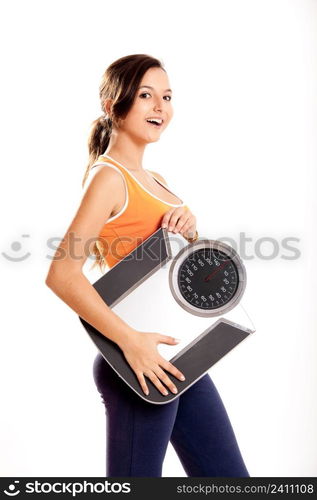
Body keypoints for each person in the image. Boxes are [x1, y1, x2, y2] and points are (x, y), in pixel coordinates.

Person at [45, 53, 250, 477]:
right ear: (112, 105)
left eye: (167, 96)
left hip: (178, 361)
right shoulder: (109, 177)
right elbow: (62, 274)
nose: (160, 107)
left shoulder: (155, 180)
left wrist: (191, 231)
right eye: (146, 95)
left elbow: (171, 269)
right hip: (133, 363)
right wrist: (132, 342)